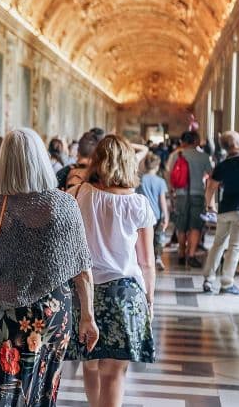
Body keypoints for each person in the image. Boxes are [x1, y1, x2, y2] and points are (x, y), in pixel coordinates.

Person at [0, 128, 98, 407]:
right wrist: (88, 316)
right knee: (44, 389)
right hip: (52, 314)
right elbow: (82, 269)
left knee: (6, 392)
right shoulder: (64, 204)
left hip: (5, 314)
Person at [68, 135, 156, 407]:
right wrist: (150, 301)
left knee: (90, 364)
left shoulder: (77, 194)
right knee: (115, 374)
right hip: (125, 293)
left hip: (85, 291)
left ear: (96, 161)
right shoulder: (138, 204)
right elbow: (147, 262)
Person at [166, 130, 213, 267]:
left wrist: (171, 192)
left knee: (181, 225)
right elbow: (211, 176)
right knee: (195, 226)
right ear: (196, 141)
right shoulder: (204, 156)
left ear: (182, 141)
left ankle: (181, 253)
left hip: (180, 195)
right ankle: (191, 255)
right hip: (198, 194)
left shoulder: (176, 155)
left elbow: (169, 174)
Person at [203, 131, 239, 294]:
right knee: (235, 246)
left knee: (218, 244)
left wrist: (210, 206)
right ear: (237, 143)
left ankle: (208, 279)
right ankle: (226, 282)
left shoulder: (222, 165)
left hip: (224, 210)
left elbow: (211, 187)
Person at [137, 153, 169, 270]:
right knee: (158, 237)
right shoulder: (160, 181)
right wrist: (166, 215)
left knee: (144, 238)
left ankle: (144, 258)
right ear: (157, 166)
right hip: (157, 214)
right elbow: (162, 201)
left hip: (143, 214)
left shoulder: (140, 180)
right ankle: (158, 258)